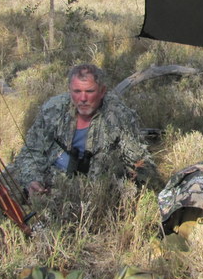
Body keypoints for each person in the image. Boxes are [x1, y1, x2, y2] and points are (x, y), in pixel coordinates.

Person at [10, 64, 157, 194]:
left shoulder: (118, 115)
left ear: (102, 91)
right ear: (69, 90)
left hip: (95, 190)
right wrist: (33, 181)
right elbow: (31, 152)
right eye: (77, 91)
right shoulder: (53, 110)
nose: (83, 98)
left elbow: (140, 163)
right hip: (50, 180)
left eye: (90, 91)